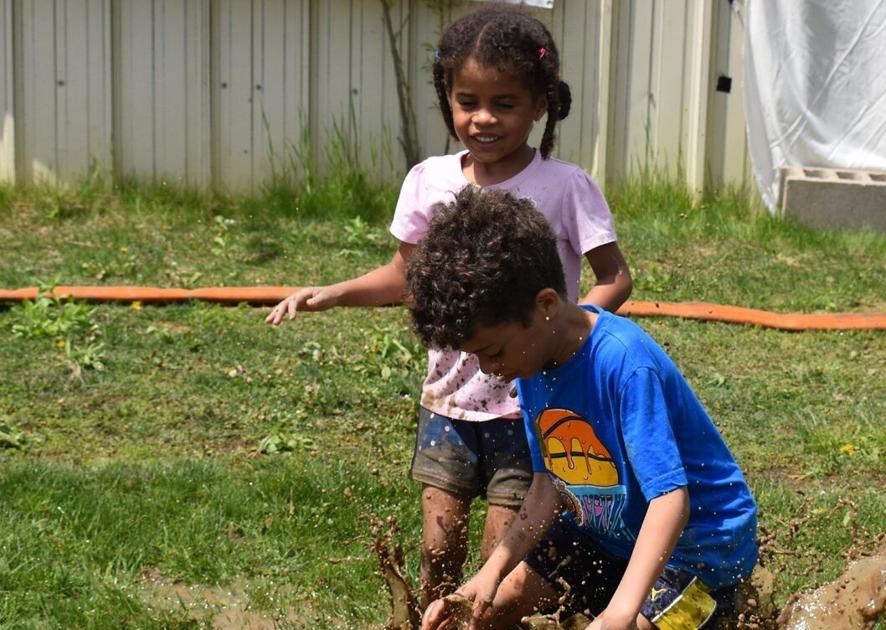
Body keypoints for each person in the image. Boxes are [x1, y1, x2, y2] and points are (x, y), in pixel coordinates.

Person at [264, 5, 632, 606]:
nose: (483, 118)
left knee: (500, 554)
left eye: (504, 103)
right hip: (448, 399)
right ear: (448, 99)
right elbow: (403, 276)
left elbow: (614, 278)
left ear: (540, 102)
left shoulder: (565, 187)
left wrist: (564, 341)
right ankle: (427, 618)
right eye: (467, 101)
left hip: (527, 401)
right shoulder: (428, 180)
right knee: (439, 545)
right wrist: (332, 293)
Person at [409, 186, 757, 630]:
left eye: (492, 351)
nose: (488, 369)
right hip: (609, 537)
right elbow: (548, 485)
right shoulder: (533, 361)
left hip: (699, 556)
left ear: (546, 306)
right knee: (489, 614)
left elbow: (671, 501)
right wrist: (488, 575)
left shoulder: (624, 364)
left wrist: (620, 613)